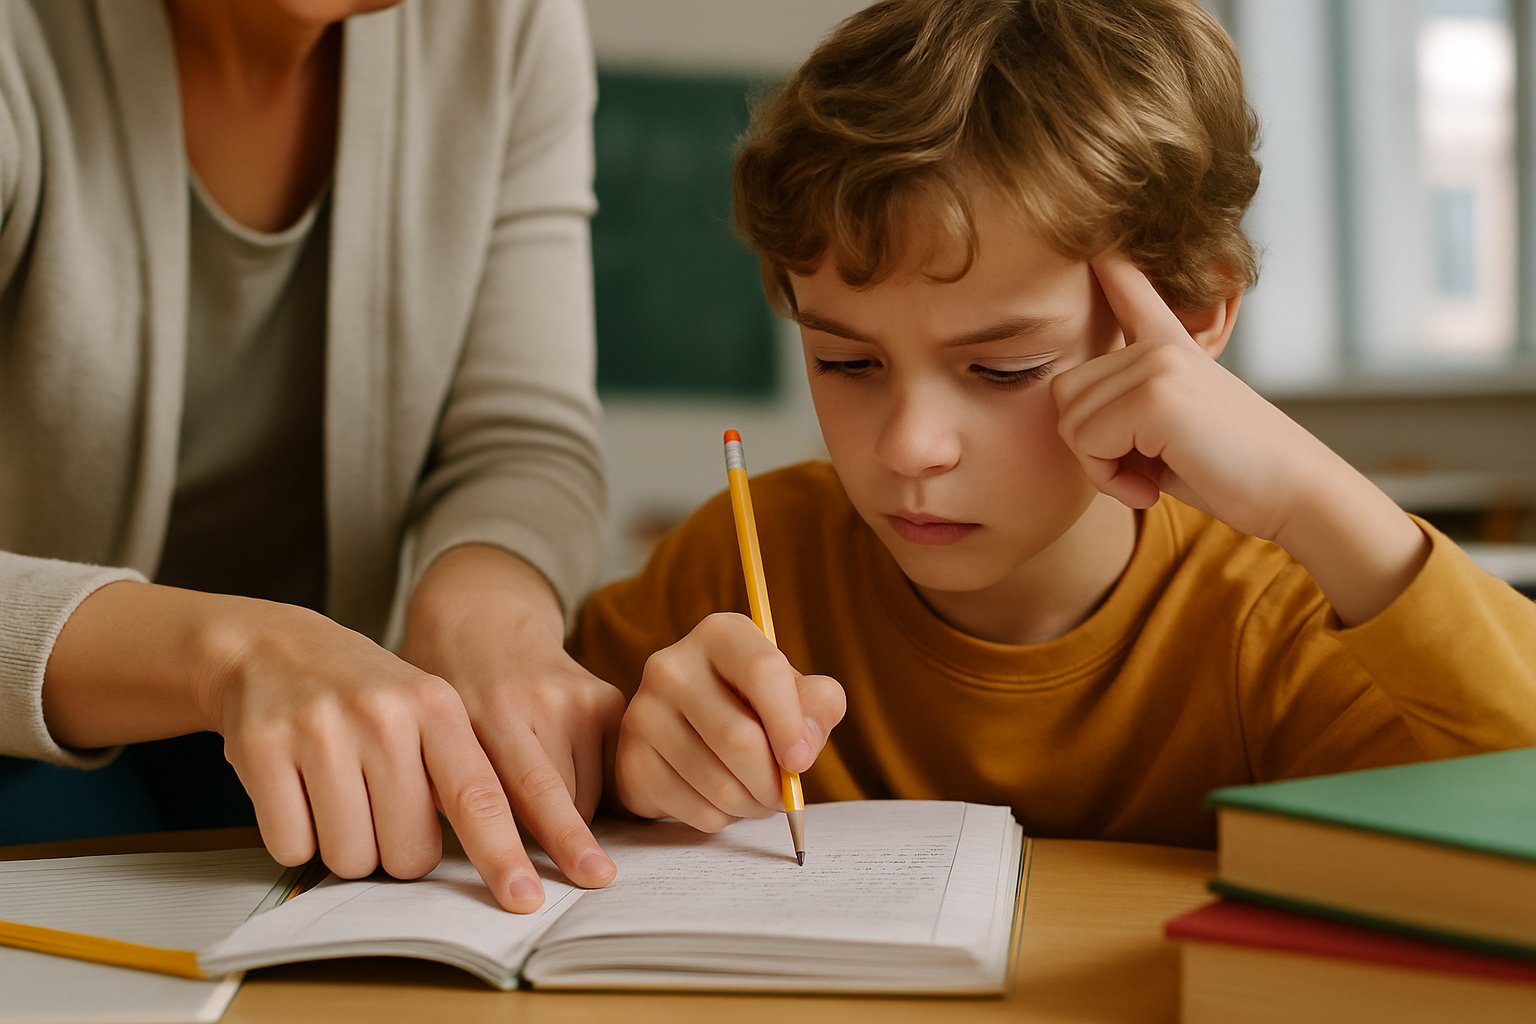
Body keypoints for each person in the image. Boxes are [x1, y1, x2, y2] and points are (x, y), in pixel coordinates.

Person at [569, 0, 1536, 847]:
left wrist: (1319, 502)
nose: (908, 446)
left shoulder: (1276, 629)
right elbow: (521, 771)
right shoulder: (733, 574)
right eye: (846, 362)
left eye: (1003, 368)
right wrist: (628, 771)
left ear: (1189, 317)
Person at [0, 0, 623, 912]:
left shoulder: (509, 23)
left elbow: (522, 437)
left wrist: (485, 617)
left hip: (312, 731)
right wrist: (225, 654)